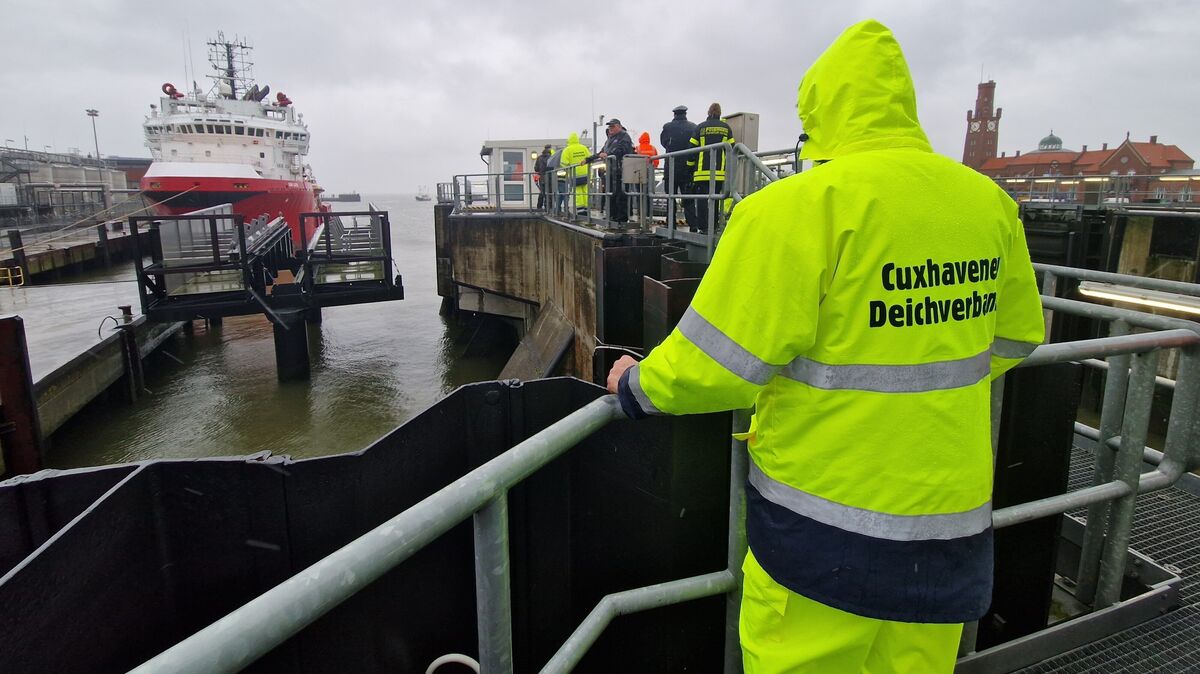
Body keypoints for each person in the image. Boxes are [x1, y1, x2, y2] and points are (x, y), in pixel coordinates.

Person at [606, 19, 1045, 673]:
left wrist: (634, 386)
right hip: (947, 529)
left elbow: (716, 363)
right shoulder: (985, 203)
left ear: (819, 111)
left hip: (823, 534)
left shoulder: (794, 209)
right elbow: (1015, 336)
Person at [689, 102, 735, 234]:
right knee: (714, 200)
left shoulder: (701, 127)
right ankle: (713, 226)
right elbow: (732, 147)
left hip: (701, 171)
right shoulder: (726, 128)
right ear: (720, 113)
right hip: (719, 172)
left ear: (708, 113)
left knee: (702, 200)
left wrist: (690, 167)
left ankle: (703, 227)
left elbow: (692, 148)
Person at [660, 105, 699, 231]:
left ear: (674, 114)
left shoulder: (667, 127)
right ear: (685, 114)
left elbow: (664, 142)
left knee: (670, 197)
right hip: (687, 168)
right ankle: (693, 225)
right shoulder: (693, 127)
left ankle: (671, 223)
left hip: (671, 168)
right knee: (688, 198)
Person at [595, 118, 634, 223]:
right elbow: (601, 152)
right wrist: (588, 159)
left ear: (619, 126)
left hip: (621, 169)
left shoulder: (624, 136)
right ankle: (613, 216)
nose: (610, 128)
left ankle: (621, 218)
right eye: (609, 127)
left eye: (612, 126)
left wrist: (608, 154)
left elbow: (622, 149)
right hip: (612, 171)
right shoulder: (610, 139)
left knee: (620, 194)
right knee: (612, 194)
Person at [559, 132, 591, 216]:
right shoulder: (584, 148)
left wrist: (569, 166)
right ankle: (587, 208)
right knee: (586, 191)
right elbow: (590, 158)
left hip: (574, 175)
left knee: (578, 193)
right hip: (586, 174)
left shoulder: (567, 149)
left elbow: (563, 163)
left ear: (569, 140)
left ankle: (581, 210)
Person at [634, 132, 660, 221]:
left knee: (640, 193)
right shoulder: (653, 148)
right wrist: (653, 168)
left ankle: (640, 213)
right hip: (650, 172)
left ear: (641, 139)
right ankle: (648, 213)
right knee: (649, 193)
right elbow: (656, 161)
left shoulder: (638, 148)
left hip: (639, 173)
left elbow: (634, 160)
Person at [534, 144, 552, 209]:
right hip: (550, 177)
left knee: (542, 192)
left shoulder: (539, 158)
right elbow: (552, 167)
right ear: (550, 149)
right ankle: (548, 207)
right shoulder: (551, 157)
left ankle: (539, 207)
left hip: (541, 178)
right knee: (549, 192)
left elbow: (536, 169)